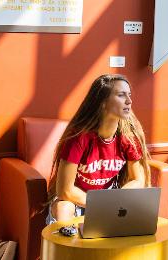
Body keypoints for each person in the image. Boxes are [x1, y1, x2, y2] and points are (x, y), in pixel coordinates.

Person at [45, 74, 152, 224]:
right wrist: (102, 205)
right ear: (102, 102)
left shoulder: (128, 136)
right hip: (76, 197)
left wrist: (117, 200)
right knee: (64, 209)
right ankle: (68, 246)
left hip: (109, 197)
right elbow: (65, 191)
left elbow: (138, 179)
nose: (129, 101)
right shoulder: (78, 137)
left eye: (129, 94)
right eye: (121, 95)